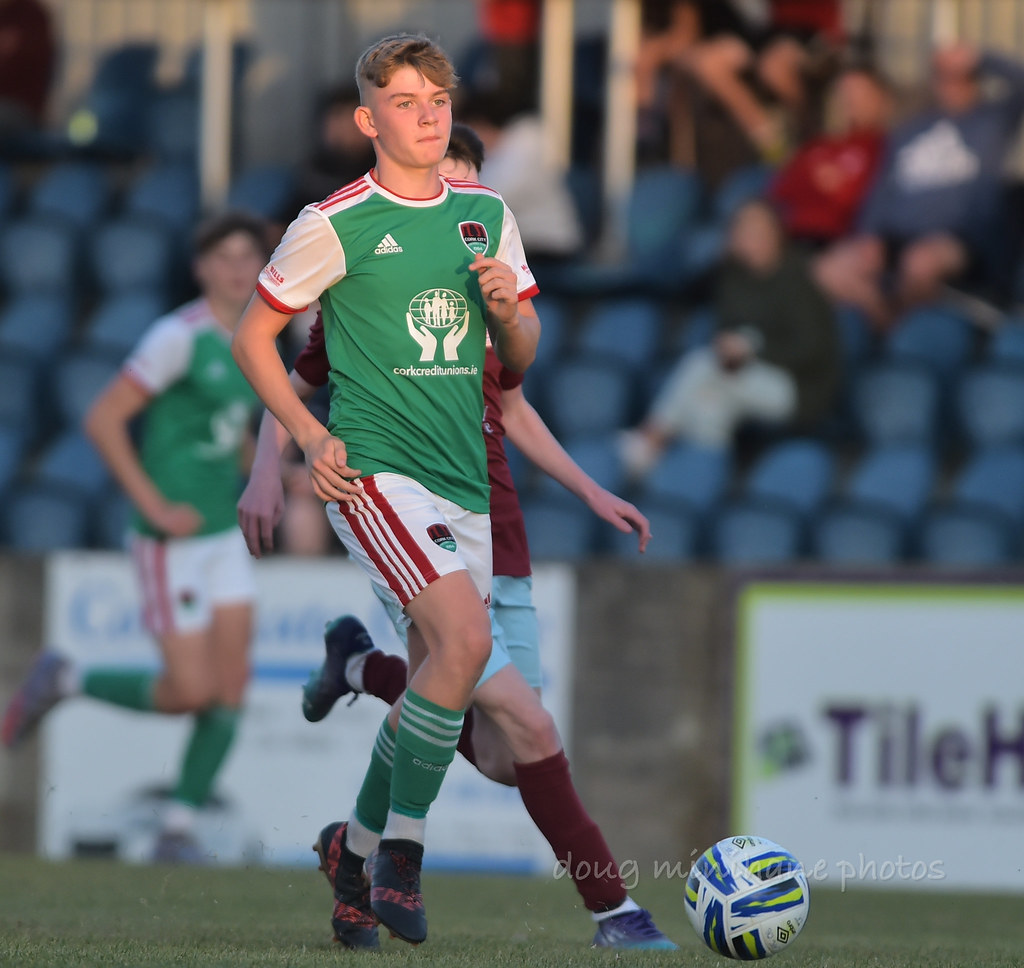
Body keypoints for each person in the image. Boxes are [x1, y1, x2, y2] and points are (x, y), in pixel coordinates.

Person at [236, 124, 677, 952]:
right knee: (529, 726)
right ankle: (615, 912)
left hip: (496, 531)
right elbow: (288, 375)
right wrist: (269, 466)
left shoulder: (484, 283)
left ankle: (357, 769)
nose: (457, 206)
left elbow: (513, 403)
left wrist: (589, 488)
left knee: (502, 752)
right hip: (410, 515)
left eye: (466, 189)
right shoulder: (375, 294)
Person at [229, 34, 540, 948]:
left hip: (463, 484)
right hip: (373, 472)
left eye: (437, 99)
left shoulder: (486, 213)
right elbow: (256, 339)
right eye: (405, 102)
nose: (428, 115)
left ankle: (350, 853)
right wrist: (308, 436)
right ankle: (403, 852)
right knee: (469, 640)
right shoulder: (335, 222)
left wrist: (506, 316)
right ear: (369, 121)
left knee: (434, 684)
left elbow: (518, 362)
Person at [0, 212, 269, 863]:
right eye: (225, 258)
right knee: (191, 693)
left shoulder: (258, 338)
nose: (238, 269)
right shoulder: (177, 336)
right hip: (168, 539)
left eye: (248, 258)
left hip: (220, 536)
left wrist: (275, 473)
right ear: (201, 267)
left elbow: (228, 433)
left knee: (231, 684)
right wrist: (153, 503)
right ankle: (69, 677)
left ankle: (177, 827)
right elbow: (104, 417)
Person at [619, 198, 841, 475]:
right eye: (743, 228)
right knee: (712, 405)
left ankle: (651, 437)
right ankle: (700, 481)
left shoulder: (798, 280)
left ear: (777, 233)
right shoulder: (731, 275)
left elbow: (811, 349)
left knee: (702, 365)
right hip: (741, 374)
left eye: (758, 228)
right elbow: (681, 289)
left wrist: (752, 351)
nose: (750, 236)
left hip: (798, 388)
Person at [814, 44, 1024, 327]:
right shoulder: (911, 127)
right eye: (942, 75)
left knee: (920, 262)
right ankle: (887, 327)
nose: (949, 84)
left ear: (975, 79)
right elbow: (882, 189)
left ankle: (907, 338)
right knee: (826, 269)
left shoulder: (992, 121)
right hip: (895, 237)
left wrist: (980, 57)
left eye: (958, 76)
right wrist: (869, 234)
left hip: (959, 240)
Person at [767, 65, 891, 247]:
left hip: (835, 241)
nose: (850, 102)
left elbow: (852, 202)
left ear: (881, 99)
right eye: (844, 93)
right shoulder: (814, 147)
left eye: (860, 93)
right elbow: (778, 192)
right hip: (786, 237)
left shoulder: (882, 147)